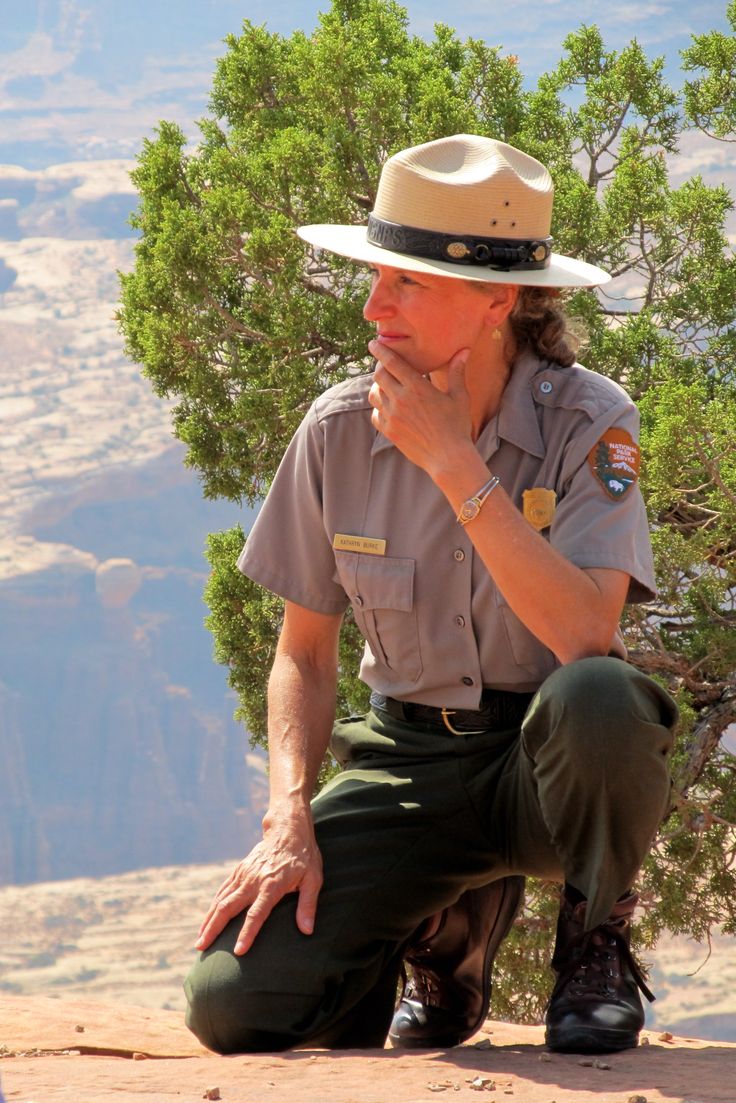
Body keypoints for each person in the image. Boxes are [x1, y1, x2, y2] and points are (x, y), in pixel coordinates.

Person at [184, 134, 678, 1055]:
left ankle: (594, 938)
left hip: (546, 765)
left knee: (602, 696)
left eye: (406, 282)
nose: (375, 307)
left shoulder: (591, 421)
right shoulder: (337, 429)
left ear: (497, 300)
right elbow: (302, 651)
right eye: (380, 276)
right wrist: (288, 809)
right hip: (407, 764)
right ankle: (444, 934)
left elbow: (584, 632)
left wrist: (453, 462)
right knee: (232, 1004)